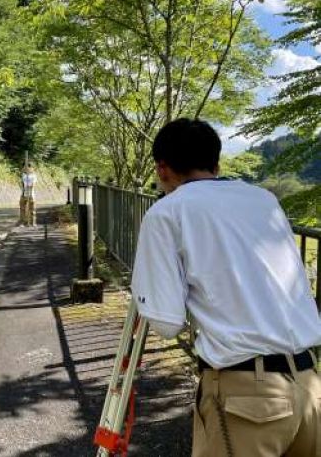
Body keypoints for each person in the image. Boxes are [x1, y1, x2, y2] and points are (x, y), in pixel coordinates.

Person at [130, 118, 321, 457]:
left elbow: (167, 323)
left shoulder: (166, 213)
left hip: (247, 398)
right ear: (216, 165)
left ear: (162, 168)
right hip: (310, 385)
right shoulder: (264, 200)